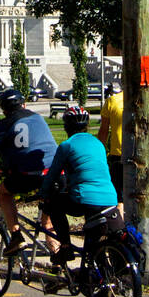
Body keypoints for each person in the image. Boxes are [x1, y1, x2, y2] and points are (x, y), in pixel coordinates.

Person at [0, 89, 58, 253]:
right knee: (48, 222)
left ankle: (16, 236)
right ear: (24, 104)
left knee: (4, 193)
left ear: (3, 110)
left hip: (28, 175)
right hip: (55, 173)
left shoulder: (4, 124)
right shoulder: (38, 118)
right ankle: (58, 262)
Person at [41, 104, 123, 263]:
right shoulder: (98, 144)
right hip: (110, 199)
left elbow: (52, 176)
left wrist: (43, 193)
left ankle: (65, 248)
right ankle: (93, 273)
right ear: (86, 126)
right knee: (93, 242)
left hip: (84, 198)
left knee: (54, 205)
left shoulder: (67, 146)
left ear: (66, 126)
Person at [97, 82, 124, 209]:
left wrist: (100, 153)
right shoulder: (138, 100)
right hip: (139, 154)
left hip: (117, 153)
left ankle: (120, 226)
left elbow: (104, 131)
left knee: (118, 197)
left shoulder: (111, 101)